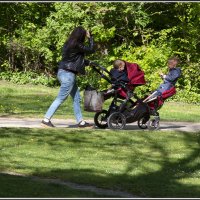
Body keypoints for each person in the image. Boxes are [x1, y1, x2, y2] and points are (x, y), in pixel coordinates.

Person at [41, 26, 95, 128]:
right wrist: (91, 37)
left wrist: (88, 63)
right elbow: (91, 49)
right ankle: (46, 119)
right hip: (68, 74)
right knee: (61, 98)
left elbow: (74, 59)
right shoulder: (77, 44)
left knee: (76, 98)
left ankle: (81, 122)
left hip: (63, 72)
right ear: (81, 35)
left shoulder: (68, 44)